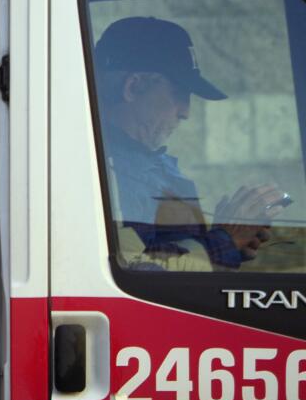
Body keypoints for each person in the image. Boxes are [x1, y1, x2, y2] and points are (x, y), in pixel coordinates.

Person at [93, 16, 286, 270]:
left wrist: (230, 238)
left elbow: (162, 256)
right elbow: (134, 271)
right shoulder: (96, 169)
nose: (186, 112)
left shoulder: (150, 165)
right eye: (180, 94)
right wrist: (224, 242)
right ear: (133, 87)